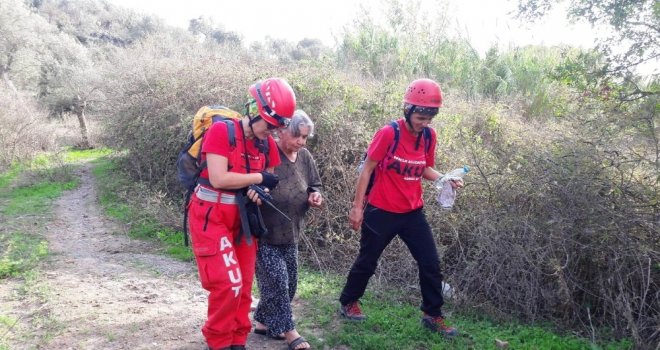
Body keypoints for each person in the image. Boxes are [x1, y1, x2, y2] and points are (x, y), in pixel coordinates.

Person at [338, 78, 462, 337]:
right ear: (407, 109)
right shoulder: (388, 133)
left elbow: (424, 168)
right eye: (420, 116)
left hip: (412, 212)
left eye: (430, 117)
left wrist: (443, 178)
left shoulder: (429, 136)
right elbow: (367, 170)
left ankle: (432, 315)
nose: (424, 122)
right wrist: (357, 207)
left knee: (430, 263)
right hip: (380, 210)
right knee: (368, 260)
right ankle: (349, 302)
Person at [186, 77, 296, 350]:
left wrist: (260, 191)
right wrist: (256, 179)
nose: (271, 131)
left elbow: (266, 184)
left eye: (277, 127)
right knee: (228, 283)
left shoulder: (266, 144)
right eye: (269, 124)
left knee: (244, 283)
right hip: (210, 215)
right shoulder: (222, 132)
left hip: (244, 219)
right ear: (254, 110)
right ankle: (219, 341)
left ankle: (237, 340)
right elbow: (219, 178)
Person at [253, 110, 322, 350]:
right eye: (297, 136)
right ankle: (290, 332)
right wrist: (259, 192)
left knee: (289, 284)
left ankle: (262, 321)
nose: (301, 142)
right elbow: (251, 183)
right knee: (279, 282)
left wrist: (315, 195)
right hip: (265, 233)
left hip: (291, 232)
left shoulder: (304, 156)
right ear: (281, 131)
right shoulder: (266, 153)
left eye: (304, 137)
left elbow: (315, 184)